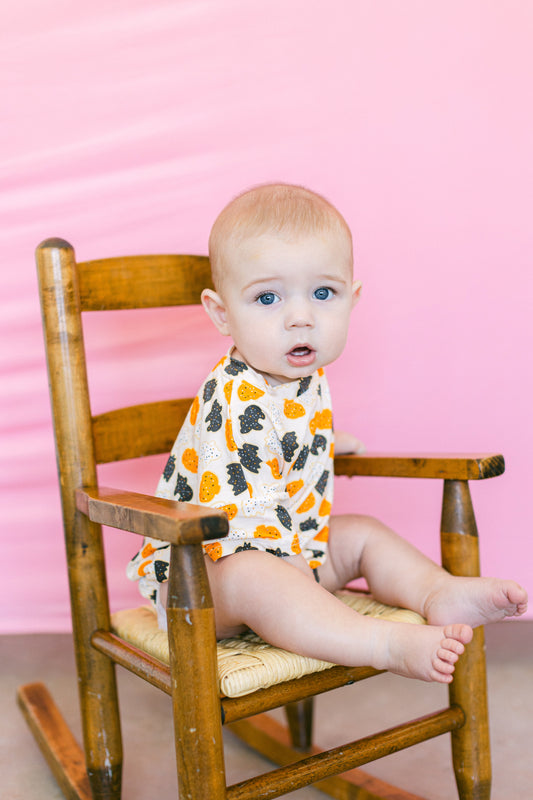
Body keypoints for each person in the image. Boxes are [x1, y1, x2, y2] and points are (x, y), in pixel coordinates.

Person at [127, 183, 527, 683]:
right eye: (268, 297)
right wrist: (293, 573)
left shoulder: (303, 379)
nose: (301, 318)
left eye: (323, 293)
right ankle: (383, 643)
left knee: (362, 534)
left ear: (351, 299)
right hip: (202, 577)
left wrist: (330, 443)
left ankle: (436, 591)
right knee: (257, 575)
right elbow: (242, 504)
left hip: (296, 548)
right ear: (222, 313)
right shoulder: (231, 396)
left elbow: (282, 438)